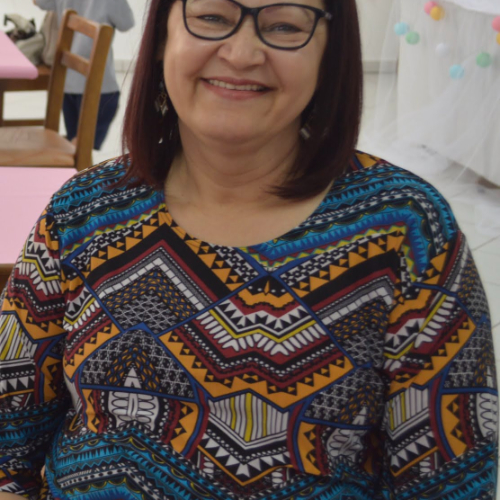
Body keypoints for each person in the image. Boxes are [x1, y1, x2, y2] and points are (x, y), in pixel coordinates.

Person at [0, 0, 497, 498]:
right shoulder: (84, 211)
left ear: (331, 54)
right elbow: (8, 441)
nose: (241, 54)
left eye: (284, 25)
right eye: (212, 17)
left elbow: (450, 482)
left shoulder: (408, 230)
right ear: (162, 39)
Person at [33, 0, 135, 150]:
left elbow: (39, 2)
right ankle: (75, 158)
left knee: (76, 145)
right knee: (82, 149)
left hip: (67, 83)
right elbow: (127, 23)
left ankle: (72, 157)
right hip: (100, 88)